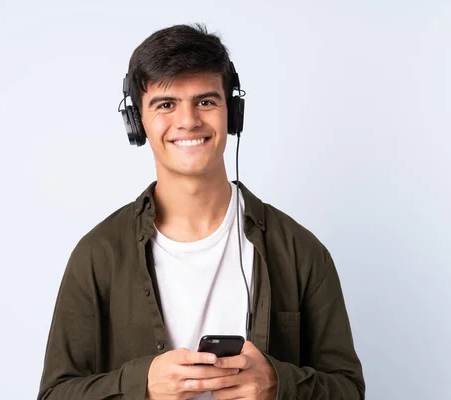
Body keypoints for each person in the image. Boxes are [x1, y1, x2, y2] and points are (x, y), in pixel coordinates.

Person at [37, 23, 365, 400]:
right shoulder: (98, 256)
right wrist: (139, 385)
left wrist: (278, 383)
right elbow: (54, 394)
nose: (188, 120)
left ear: (233, 113)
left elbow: (350, 391)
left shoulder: (300, 252)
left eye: (206, 101)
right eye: (166, 104)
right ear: (137, 122)